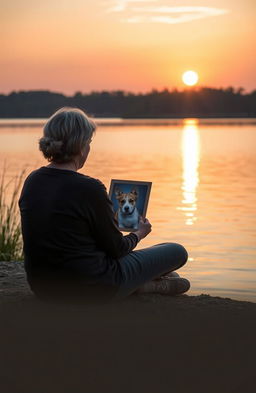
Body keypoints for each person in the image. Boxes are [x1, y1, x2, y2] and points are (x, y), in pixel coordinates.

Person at [18, 107, 190, 304]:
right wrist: (139, 233)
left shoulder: (32, 180)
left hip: (43, 288)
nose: (89, 149)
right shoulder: (89, 187)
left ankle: (140, 282)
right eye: (89, 142)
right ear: (81, 145)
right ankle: (147, 286)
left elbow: (63, 232)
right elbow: (117, 250)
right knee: (177, 251)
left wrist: (105, 222)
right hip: (95, 286)